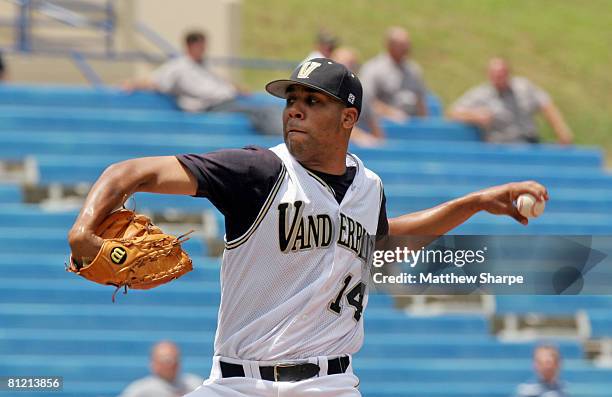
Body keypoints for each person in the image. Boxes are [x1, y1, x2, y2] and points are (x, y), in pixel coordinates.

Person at [69, 58, 548, 396]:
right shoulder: (256, 171)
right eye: (291, 98)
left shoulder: (369, 187)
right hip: (237, 382)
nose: (294, 108)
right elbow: (130, 173)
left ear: (348, 117)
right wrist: (84, 230)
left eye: (312, 100)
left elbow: (385, 243)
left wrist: (476, 202)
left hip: (329, 384)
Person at [123, 30, 282, 135]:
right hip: (212, 106)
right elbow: (155, 80)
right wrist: (133, 83)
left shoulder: (203, 64)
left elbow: (218, 81)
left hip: (227, 101)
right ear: (190, 45)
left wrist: (238, 88)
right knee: (260, 112)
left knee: (267, 108)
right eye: (200, 45)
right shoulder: (179, 66)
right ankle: (279, 136)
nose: (203, 49)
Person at [448, 57, 573, 144]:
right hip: (501, 146)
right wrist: (475, 115)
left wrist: (561, 131)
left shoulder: (523, 87)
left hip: (529, 141)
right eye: (495, 75)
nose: (498, 79)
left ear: (508, 73)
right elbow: (453, 112)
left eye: (501, 75)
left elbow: (546, 104)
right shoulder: (482, 94)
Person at [359, 27, 428, 121]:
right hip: (384, 123)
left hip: (412, 123)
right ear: (389, 45)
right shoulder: (373, 68)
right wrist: (390, 113)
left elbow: (420, 100)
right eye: (401, 45)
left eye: (407, 44)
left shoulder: (413, 69)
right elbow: (367, 100)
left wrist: (424, 123)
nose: (406, 48)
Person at [331, 47, 385, 147]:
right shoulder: (325, 93)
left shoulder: (362, 92)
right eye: (343, 66)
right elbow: (334, 123)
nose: (349, 69)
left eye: (352, 65)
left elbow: (374, 126)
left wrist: (380, 145)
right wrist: (360, 137)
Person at [118, 341, 203, 397]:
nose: (172, 364)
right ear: (153, 363)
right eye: (167, 360)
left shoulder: (195, 385)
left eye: (175, 359)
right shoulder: (141, 390)